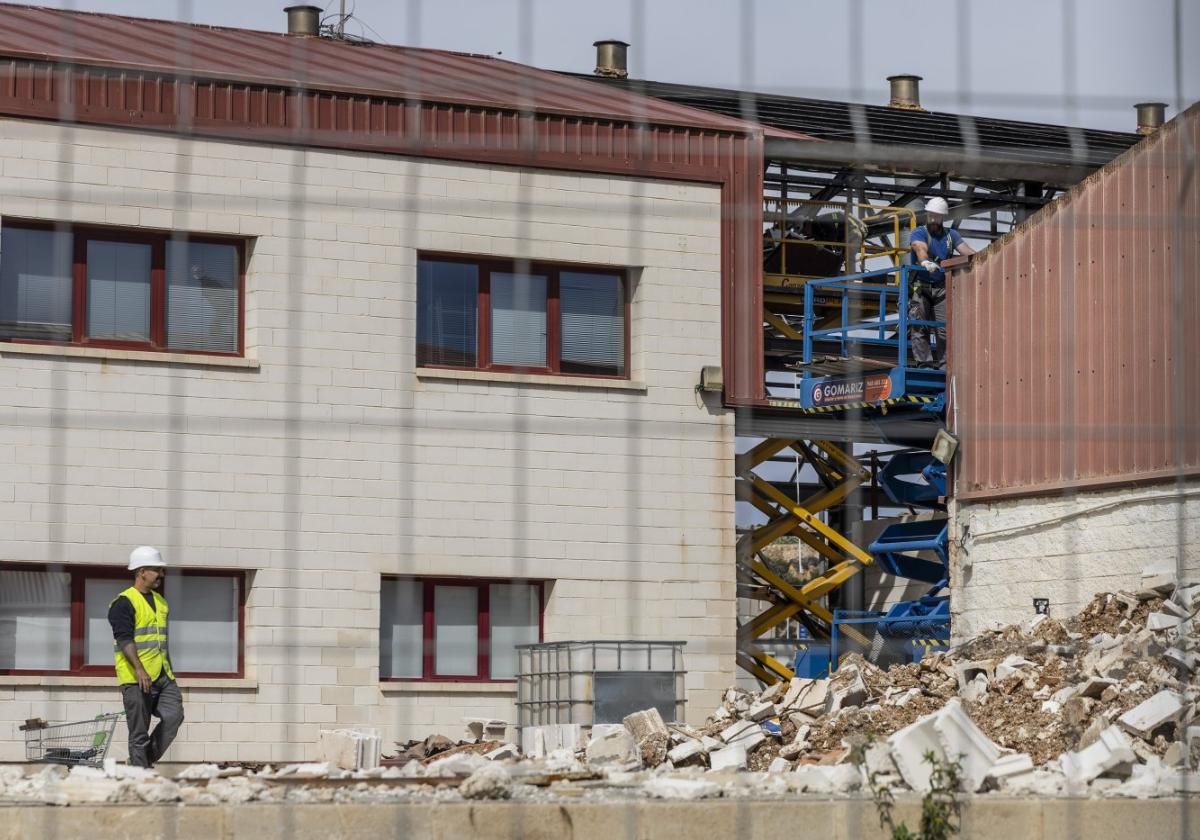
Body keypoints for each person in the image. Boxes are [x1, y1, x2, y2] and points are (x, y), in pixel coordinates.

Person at [108, 546, 184, 768]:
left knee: (174, 716)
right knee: (139, 731)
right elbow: (124, 639)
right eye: (156, 570)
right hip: (135, 677)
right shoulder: (123, 602)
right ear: (141, 571)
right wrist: (140, 669)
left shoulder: (161, 602)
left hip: (163, 675)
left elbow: (160, 641)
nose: (161, 574)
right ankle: (140, 773)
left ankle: (142, 761)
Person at [908, 197, 976, 369]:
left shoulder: (950, 236)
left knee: (944, 330)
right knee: (918, 326)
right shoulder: (919, 232)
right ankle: (924, 364)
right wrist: (924, 261)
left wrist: (987, 257)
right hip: (921, 287)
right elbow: (919, 248)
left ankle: (946, 366)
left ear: (942, 217)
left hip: (941, 288)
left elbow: (966, 251)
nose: (933, 219)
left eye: (936, 216)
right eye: (931, 215)